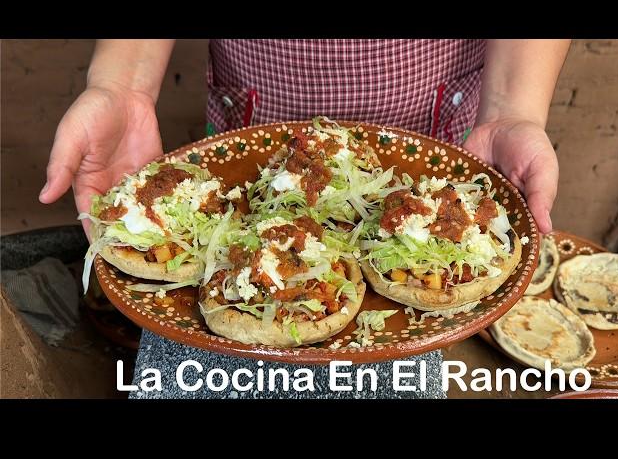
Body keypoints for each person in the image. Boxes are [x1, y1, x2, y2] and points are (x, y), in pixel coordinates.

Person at [40, 39, 570, 398]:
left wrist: (512, 110)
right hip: (252, 147)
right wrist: (123, 84)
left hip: (429, 159)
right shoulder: (237, 208)